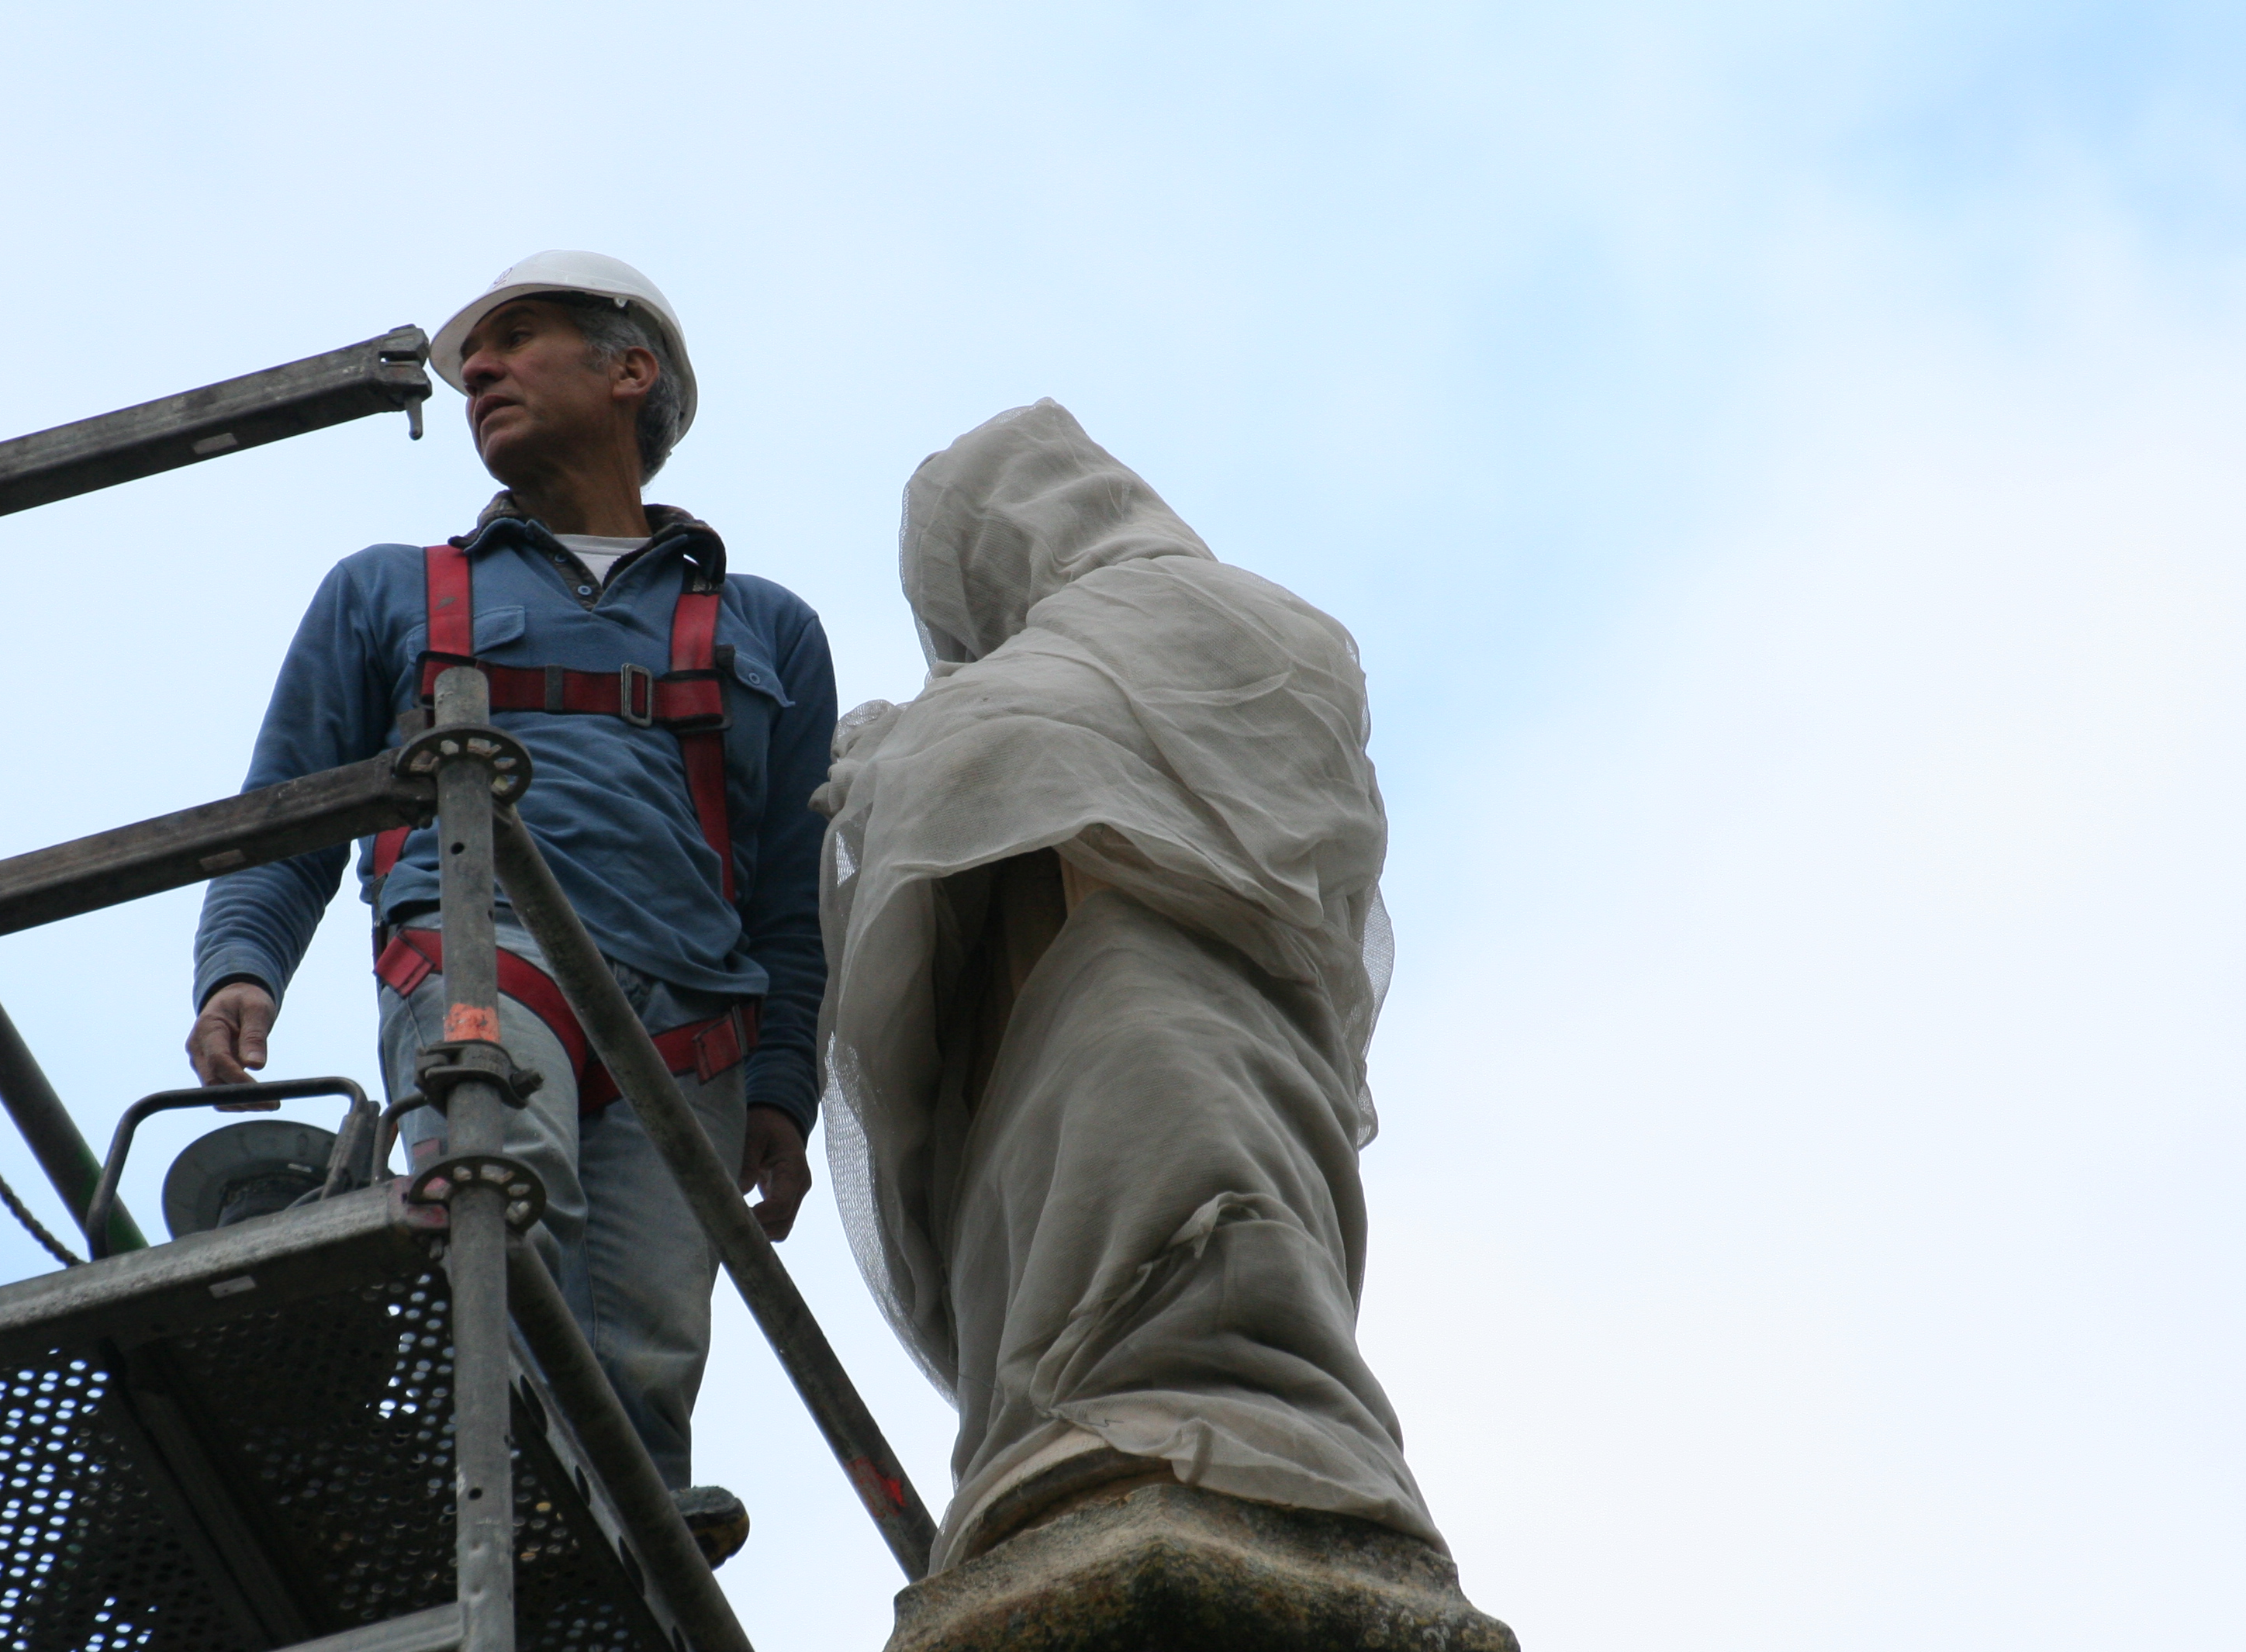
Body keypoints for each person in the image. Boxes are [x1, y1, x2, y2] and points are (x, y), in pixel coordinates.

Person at [186, 251, 837, 1560]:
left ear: (628, 371)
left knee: (652, 1333)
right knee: (505, 1192)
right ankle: (498, 1498)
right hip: (484, 947)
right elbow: (291, 799)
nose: (476, 369)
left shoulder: (767, 628)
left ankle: (622, 1566)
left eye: (516, 339)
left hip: (690, 1024)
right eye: (472, 355)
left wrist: (780, 1086)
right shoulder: (391, 591)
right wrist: (242, 958)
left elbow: (789, 897)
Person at [815, 400, 1443, 1571]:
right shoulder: (1288, 626)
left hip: (1126, 1005)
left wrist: (879, 766)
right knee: (1205, 1213)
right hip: (1227, 1037)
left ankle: (1137, 1430)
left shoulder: (1120, 635)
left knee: (1139, 1213)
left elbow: (1005, 758)